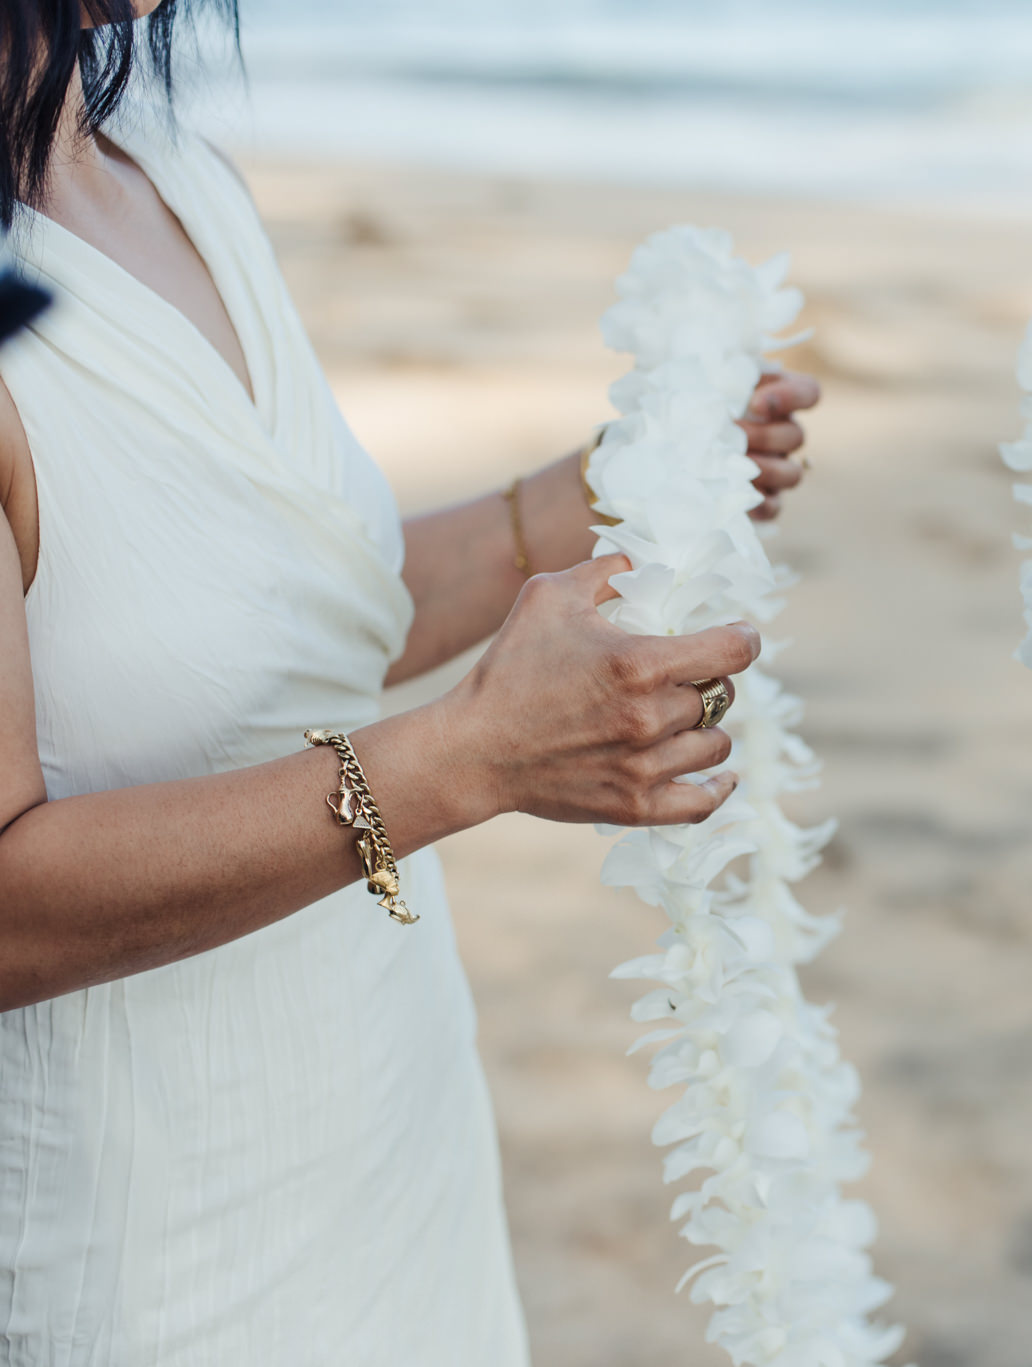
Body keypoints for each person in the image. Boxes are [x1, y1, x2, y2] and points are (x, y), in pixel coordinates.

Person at [0, 3, 818, 1360]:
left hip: (387, 1142)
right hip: (146, 1245)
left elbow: (285, 639)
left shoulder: (170, 169)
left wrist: (587, 495)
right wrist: (467, 761)